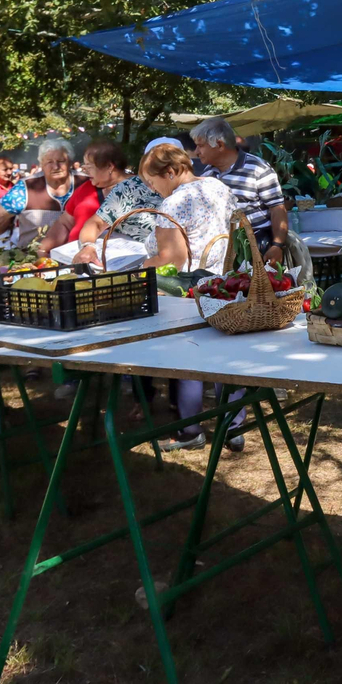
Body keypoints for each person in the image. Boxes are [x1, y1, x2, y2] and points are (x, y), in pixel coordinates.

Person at [138, 143, 242, 452]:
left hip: (189, 289)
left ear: (170, 172)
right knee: (224, 356)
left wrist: (143, 265)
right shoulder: (217, 186)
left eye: (153, 182)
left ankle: (190, 430)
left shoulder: (174, 203)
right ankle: (234, 426)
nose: (153, 189)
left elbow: (173, 259)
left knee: (187, 358)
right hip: (223, 283)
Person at [189, 118, 289, 266]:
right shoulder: (208, 174)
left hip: (256, 250)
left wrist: (277, 245)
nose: (197, 152)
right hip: (221, 253)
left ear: (219, 145)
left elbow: (277, 208)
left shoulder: (257, 169)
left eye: (200, 146)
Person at [48, 141, 163, 262]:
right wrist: (88, 247)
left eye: (89, 166)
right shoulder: (125, 188)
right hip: (100, 260)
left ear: (109, 166)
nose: (85, 170)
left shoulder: (138, 187)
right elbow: (86, 223)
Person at [0, 141, 81, 253]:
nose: (56, 166)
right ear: (41, 164)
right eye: (49, 162)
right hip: (33, 259)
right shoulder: (27, 187)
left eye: (61, 161)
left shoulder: (85, 183)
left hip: (79, 258)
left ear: (70, 161)